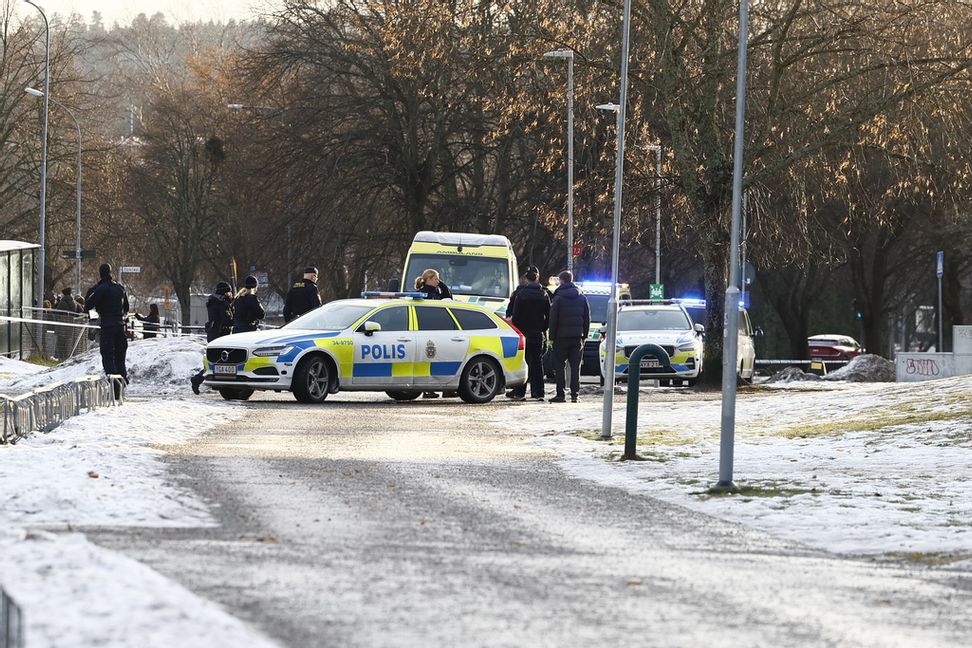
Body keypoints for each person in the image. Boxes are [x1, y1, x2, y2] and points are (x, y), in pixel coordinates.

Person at [83, 263, 130, 395]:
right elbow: (126, 308)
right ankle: (122, 381)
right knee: (120, 357)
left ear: (100, 273)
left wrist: (92, 291)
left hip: (107, 326)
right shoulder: (120, 288)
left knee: (108, 357)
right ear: (110, 272)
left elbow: (87, 305)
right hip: (120, 326)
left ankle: (114, 387)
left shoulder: (101, 289)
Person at [507, 267, 551, 401]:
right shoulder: (544, 294)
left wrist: (517, 329)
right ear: (537, 278)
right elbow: (549, 315)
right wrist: (543, 328)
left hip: (523, 333)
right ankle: (539, 392)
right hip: (537, 333)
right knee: (538, 363)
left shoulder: (521, 294)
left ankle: (520, 392)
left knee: (523, 362)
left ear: (526, 279)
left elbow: (516, 315)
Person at [548, 270, 590, 403]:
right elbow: (587, 319)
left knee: (559, 366)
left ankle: (560, 394)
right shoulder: (582, 297)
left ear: (561, 281)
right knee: (575, 367)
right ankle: (575, 395)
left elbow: (553, 319)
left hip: (560, 338)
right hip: (577, 337)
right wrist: (584, 335)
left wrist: (551, 337)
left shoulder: (558, 298)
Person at [191, 281, 235, 394]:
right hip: (221, 335)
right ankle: (198, 379)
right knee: (217, 361)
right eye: (229, 293)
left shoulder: (212, 301)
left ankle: (202, 379)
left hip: (213, 334)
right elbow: (228, 320)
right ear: (225, 293)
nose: (231, 295)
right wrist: (234, 315)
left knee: (215, 361)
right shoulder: (222, 304)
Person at [53, 287, 81, 359]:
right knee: (68, 343)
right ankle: (67, 357)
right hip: (71, 325)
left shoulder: (62, 302)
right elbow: (81, 311)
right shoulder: (75, 302)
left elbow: (56, 312)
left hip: (62, 325)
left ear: (64, 294)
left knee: (60, 342)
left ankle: (60, 357)